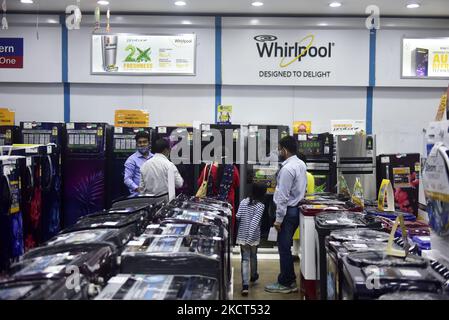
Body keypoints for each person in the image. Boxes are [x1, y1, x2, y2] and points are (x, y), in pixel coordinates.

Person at [265, 136, 307, 294]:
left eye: (279, 149)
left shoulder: (287, 169)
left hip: (288, 212)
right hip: (296, 209)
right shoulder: (300, 164)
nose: (279, 152)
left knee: (283, 248)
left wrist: (278, 219)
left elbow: (283, 197)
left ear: (285, 150)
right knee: (285, 247)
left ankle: (286, 282)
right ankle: (288, 280)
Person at [236, 183, 267, 297]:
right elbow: (254, 223)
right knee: (253, 255)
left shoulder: (244, 202)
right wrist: (250, 238)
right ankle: (253, 275)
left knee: (245, 259)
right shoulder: (260, 206)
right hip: (253, 237)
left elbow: (238, 216)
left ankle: (245, 286)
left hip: (242, 235)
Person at [197, 159, 240, 231]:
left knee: (210, 226)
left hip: (210, 204)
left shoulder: (208, 168)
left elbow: (200, 182)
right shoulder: (233, 168)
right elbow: (237, 184)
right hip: (227, 204)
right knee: (227, 228)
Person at [292, 153, 315, 259]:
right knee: (306, 232)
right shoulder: (310, 176)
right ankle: (305, 253)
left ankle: (295, 252)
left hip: (298, 204)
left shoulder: (296, 175)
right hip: (309, 206)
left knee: (296, 231)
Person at [124, 131, 153, 196]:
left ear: (149, 143)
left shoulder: (154, 158)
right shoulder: (131, 160)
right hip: (138, 196)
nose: (142, 144)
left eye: (145, 142)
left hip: (153, 195)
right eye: (140, 142)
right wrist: (138, 189)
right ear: (136, 144)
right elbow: (127, 179)